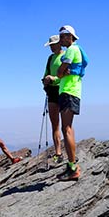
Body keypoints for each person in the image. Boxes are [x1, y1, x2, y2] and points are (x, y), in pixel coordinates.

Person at [55, 25, 83, 181]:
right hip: (71, 92)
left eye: (63, 36)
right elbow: (61, 72)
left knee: (66, 129)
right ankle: (71, 165)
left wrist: (61, 71)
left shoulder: (71, 50)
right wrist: (61, 72)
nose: (61, 39)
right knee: (67, 128)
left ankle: (73, 167)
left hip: (68, 92)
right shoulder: (73, 50)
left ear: (70, 36)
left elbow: (60, 72)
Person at [42, 35, 65, 164]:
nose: (51, 47)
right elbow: (45, 74)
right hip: (52, 92)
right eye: (50, 45)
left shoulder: (65, 56)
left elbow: (67, 74)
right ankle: (58, 153)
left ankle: (68, 153)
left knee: (66, 125)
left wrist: (54, 79)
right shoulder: (50, 58)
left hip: (63, 90)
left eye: (53, 45)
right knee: (55, 124)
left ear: (59, 44)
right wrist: (45, 81)